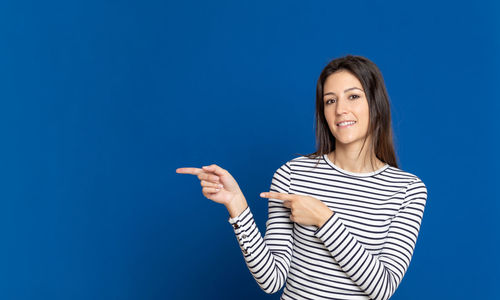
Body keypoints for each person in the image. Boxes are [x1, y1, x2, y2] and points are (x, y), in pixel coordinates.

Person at [176, 54, 427, 300]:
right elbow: (271, 279)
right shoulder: (292, 173)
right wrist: (237, 205)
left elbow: (382, 288)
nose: (340, 109)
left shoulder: (408, 190)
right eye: (330, 101)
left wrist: (323, 218)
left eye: (353, 96)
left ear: (376, 103)